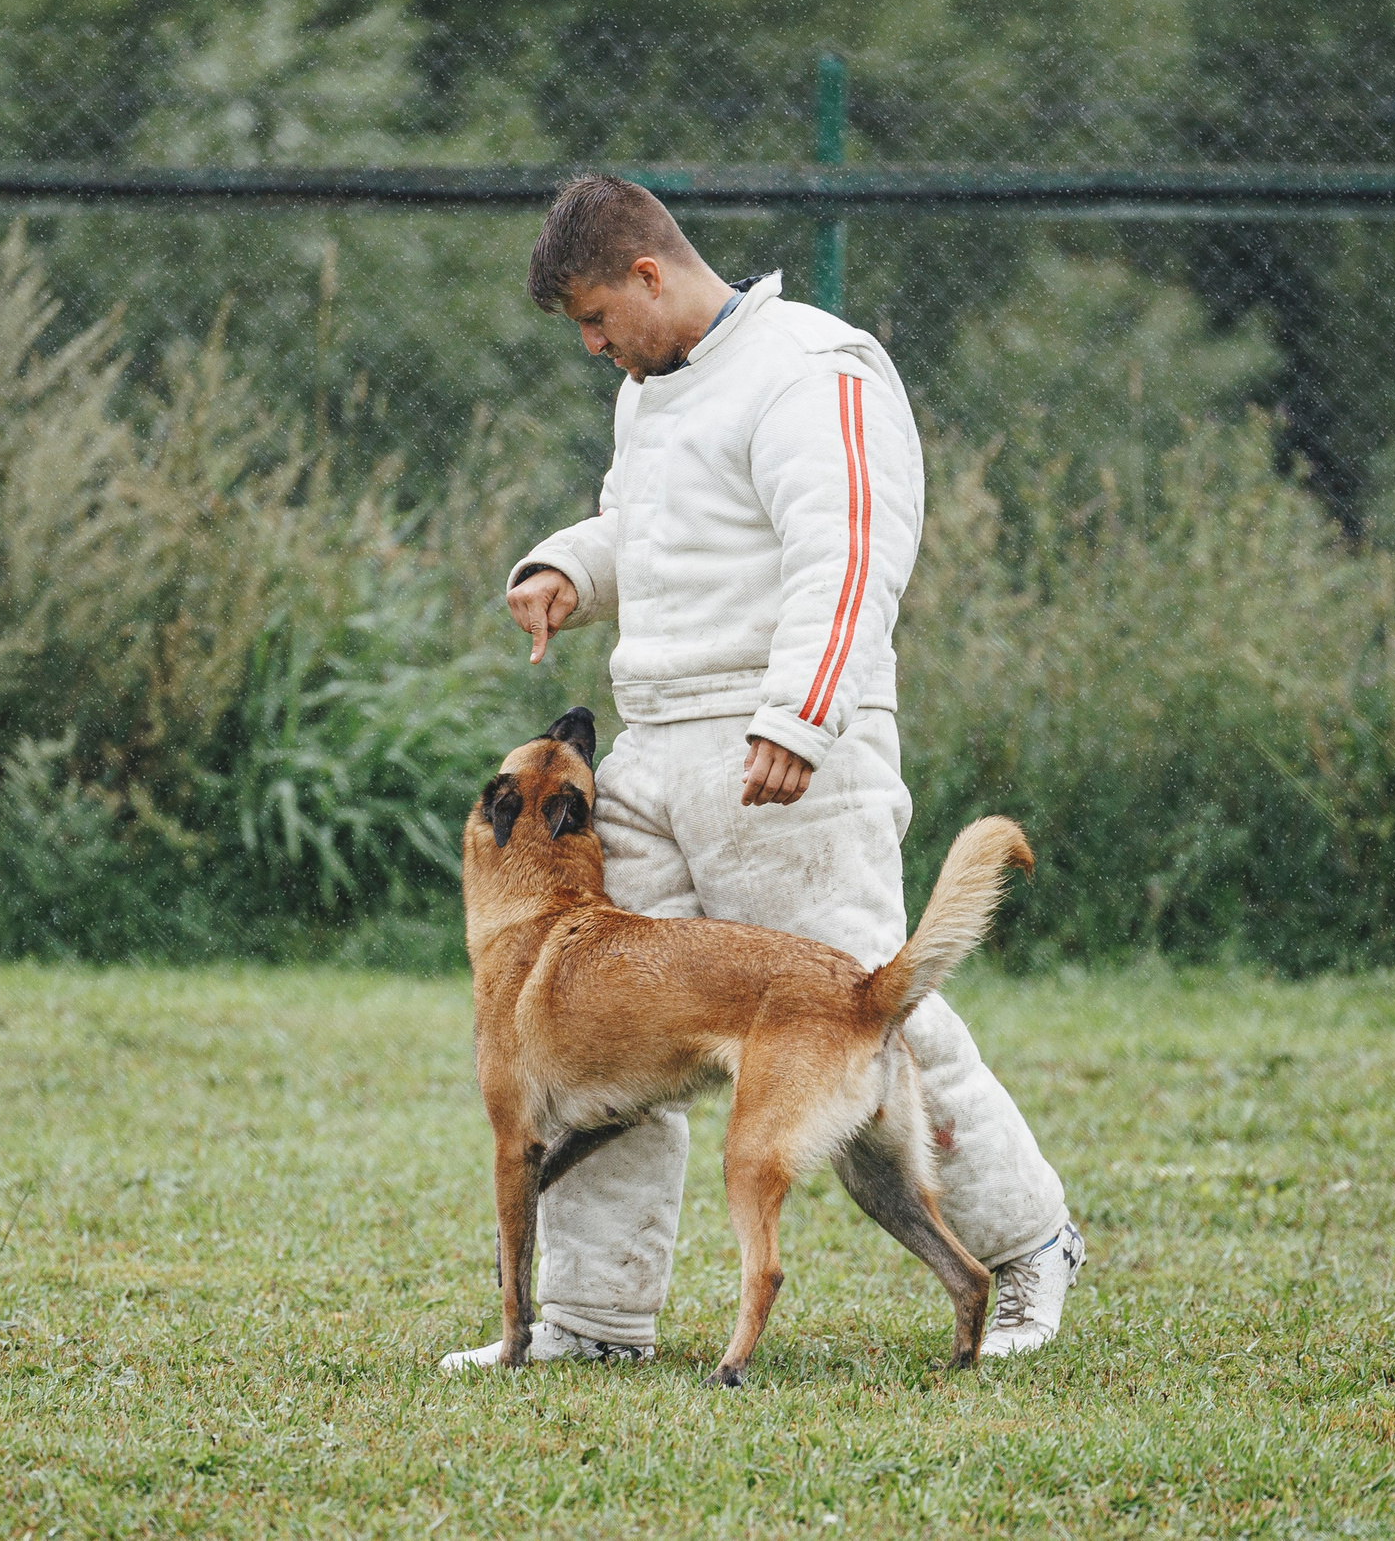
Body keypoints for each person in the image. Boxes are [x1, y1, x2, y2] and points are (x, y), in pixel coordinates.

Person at [441, 175, 1083, 1369]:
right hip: (657, 745)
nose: (592, 348)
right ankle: (592, 1320)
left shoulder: (814, 366)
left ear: (647, 274)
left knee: (875, 1008)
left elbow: (849, 557)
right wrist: (568, 571)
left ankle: (1029, 1245)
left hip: (792, 752)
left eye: (593, 319)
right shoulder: (654, 393)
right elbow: (649, 533)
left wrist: (800, 715)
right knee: (600, 1033)